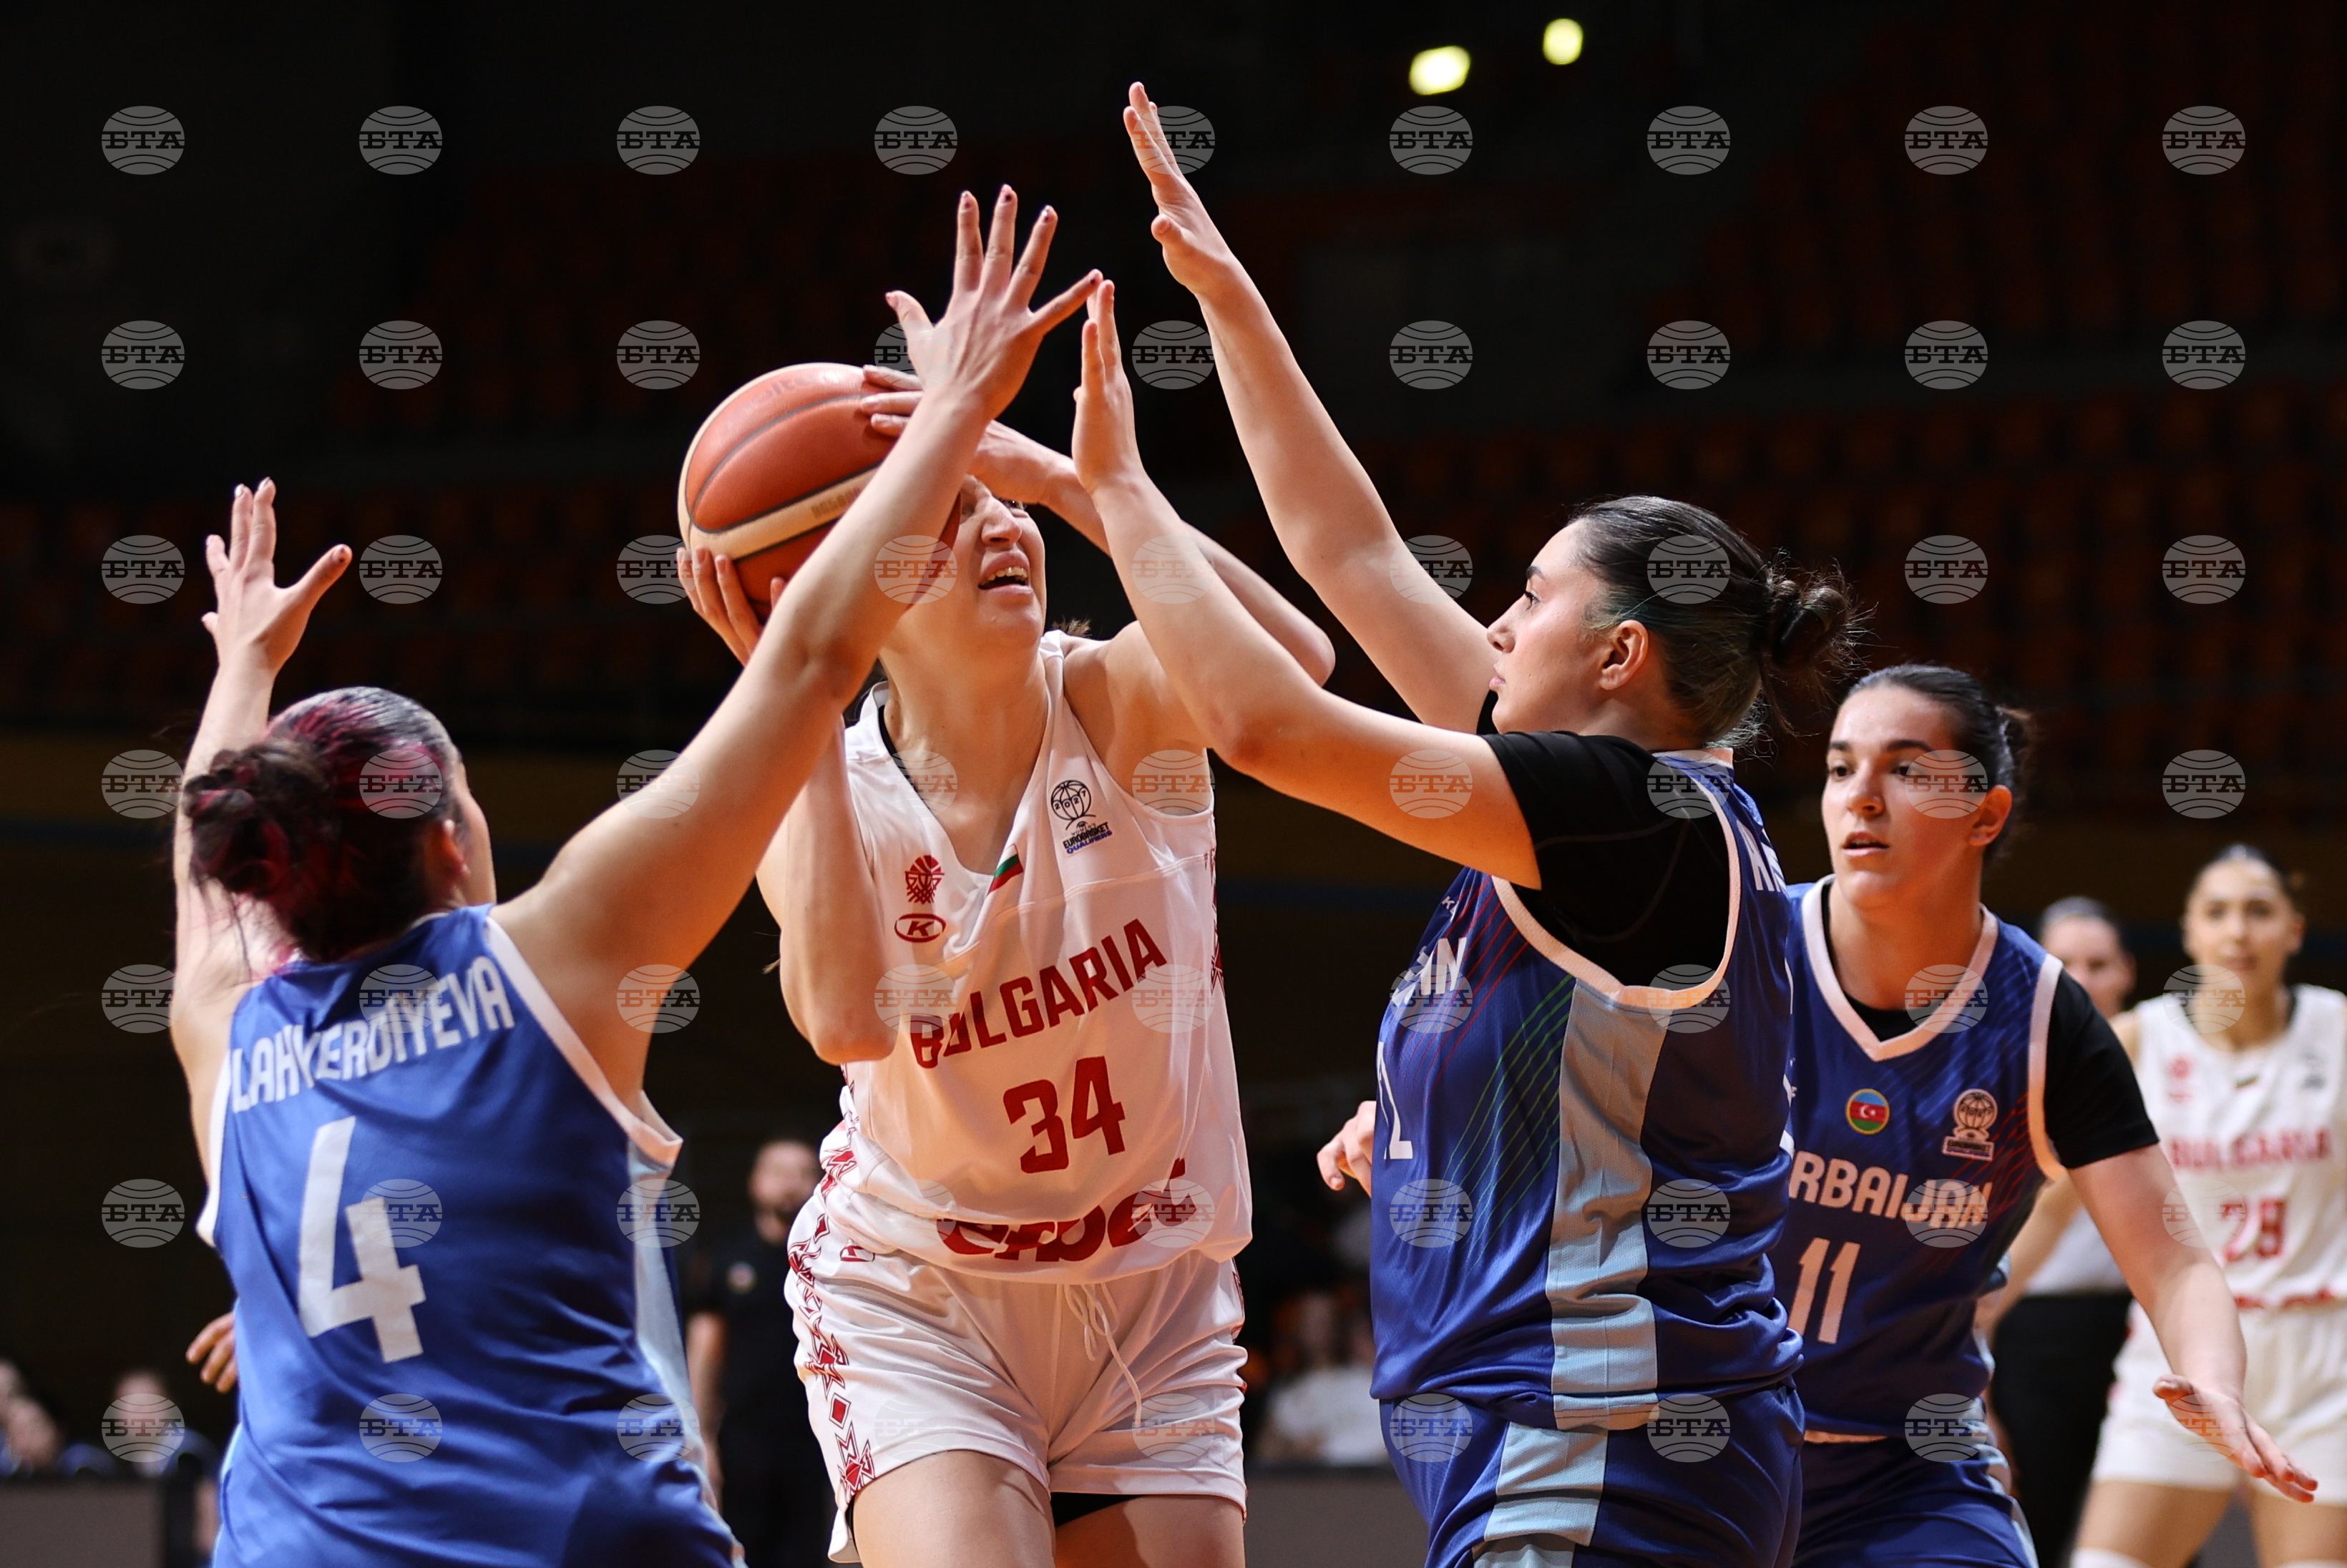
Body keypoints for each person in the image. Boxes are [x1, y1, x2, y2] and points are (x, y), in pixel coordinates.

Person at [164, 189, 1095, 1566]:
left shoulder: (229, 1036)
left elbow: (206, 902)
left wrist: (240, 665)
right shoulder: (552, 961)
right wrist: (951, 409)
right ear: (452, 841)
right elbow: (811, 659)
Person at [1108, 84, 1858, 1568]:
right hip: (1587, 1434)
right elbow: (1353, 553)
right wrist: (1229, 300)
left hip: (1601, 1440)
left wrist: (1119, 496)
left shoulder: (1624, 812)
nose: (1498, 625)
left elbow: (1265, 729)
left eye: (1528, 595)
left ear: (1620, 653)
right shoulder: (1610, 811)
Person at [677, 208, 1331, 1568]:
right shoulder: (822, 784)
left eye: (1004, 507)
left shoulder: (1119, 703)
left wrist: (1065, 477)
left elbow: (1297, 664)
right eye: (955, 514)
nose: (1003, 528)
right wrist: (797, 693)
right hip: (926, 1294)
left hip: (1153, 1290)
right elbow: (845, 1019)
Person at [1765, 665, 2312, 1568]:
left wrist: (2214, 1378)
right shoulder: (1744, 951)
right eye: (1839, 767)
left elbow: (2173, 1256)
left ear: (1985, 815)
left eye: (1906, 769)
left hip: (1904, 1470)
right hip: (1708, 1433)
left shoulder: (2044, 1016)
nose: (1860, 795)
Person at [2073, 845, 2345, 1568]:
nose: (2238, 931)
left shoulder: (2338, 1031)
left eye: (2259, 911)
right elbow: (2049, 1204)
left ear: (2295, 929)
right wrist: (1975, 1310)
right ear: (2190, 932)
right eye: (2217, 912)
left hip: (2322, 1358)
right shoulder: (2139, 1041)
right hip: (2181, 1358)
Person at [1984, 897, 2140, 1564]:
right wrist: (1976, 1397)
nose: (2082, 979)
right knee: (2032, 1529)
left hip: (2140, 1331)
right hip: (2031, 1335)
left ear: (2128, 972)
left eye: (2098, 964)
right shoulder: (1998, 1074)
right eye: (2065, 963)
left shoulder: (2165, 1066)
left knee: (2154, 1534)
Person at [685, 1137, 831, 1567]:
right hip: (744, 1437)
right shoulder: (727, 1258)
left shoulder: (831, 1262)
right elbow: (706, 1349)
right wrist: (702, 1436)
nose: (790, 1184)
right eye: (779, 1172)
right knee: (743, 1550)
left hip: (815, 1437)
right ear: (755, 1182)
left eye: (803, 1173)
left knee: (808, 1553)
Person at [1256, 1290, 1385, 1466]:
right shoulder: (1287, 1393)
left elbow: (1385, 1441)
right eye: (1308, 1320)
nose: (1316, 1328)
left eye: (1324, 1320)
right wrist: (1295, 1449)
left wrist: (1326, 1448)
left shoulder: (1364, 1381)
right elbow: (1266, 1450)